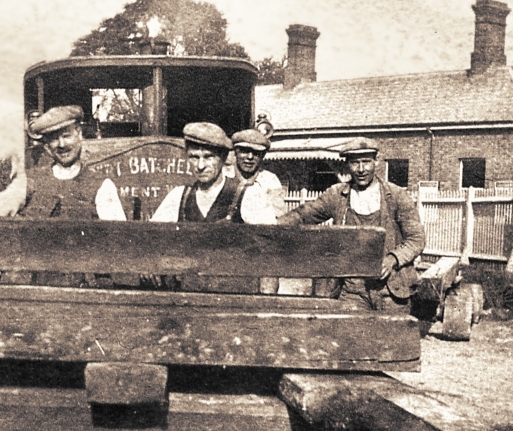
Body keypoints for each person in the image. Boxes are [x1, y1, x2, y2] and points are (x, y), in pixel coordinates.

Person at [278, 137, 425, 313]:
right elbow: (302, 215)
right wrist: (269, 225)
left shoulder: (396, 196)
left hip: (392, 289)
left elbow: (416, 239)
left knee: (394, 330)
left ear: (376, 161)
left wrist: (392, 259)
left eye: (366, 162)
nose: (361, 169)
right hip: (352, 291)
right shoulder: (337, 195)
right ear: (347, 164)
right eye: (355, 163)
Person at [150, 124, 283, 224]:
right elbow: (153, 236)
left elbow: (268, 242)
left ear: (223, 158)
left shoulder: (249, 195)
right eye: (194, 157)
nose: (200, 166)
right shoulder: (179, 196)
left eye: (208, 157)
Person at [19, 105, 127, 220]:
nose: (62, 144)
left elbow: (116, 230)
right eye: (54, 139)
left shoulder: (101, 186)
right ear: (47, 145)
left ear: (79, 134)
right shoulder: (29, 181)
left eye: (66, 136)